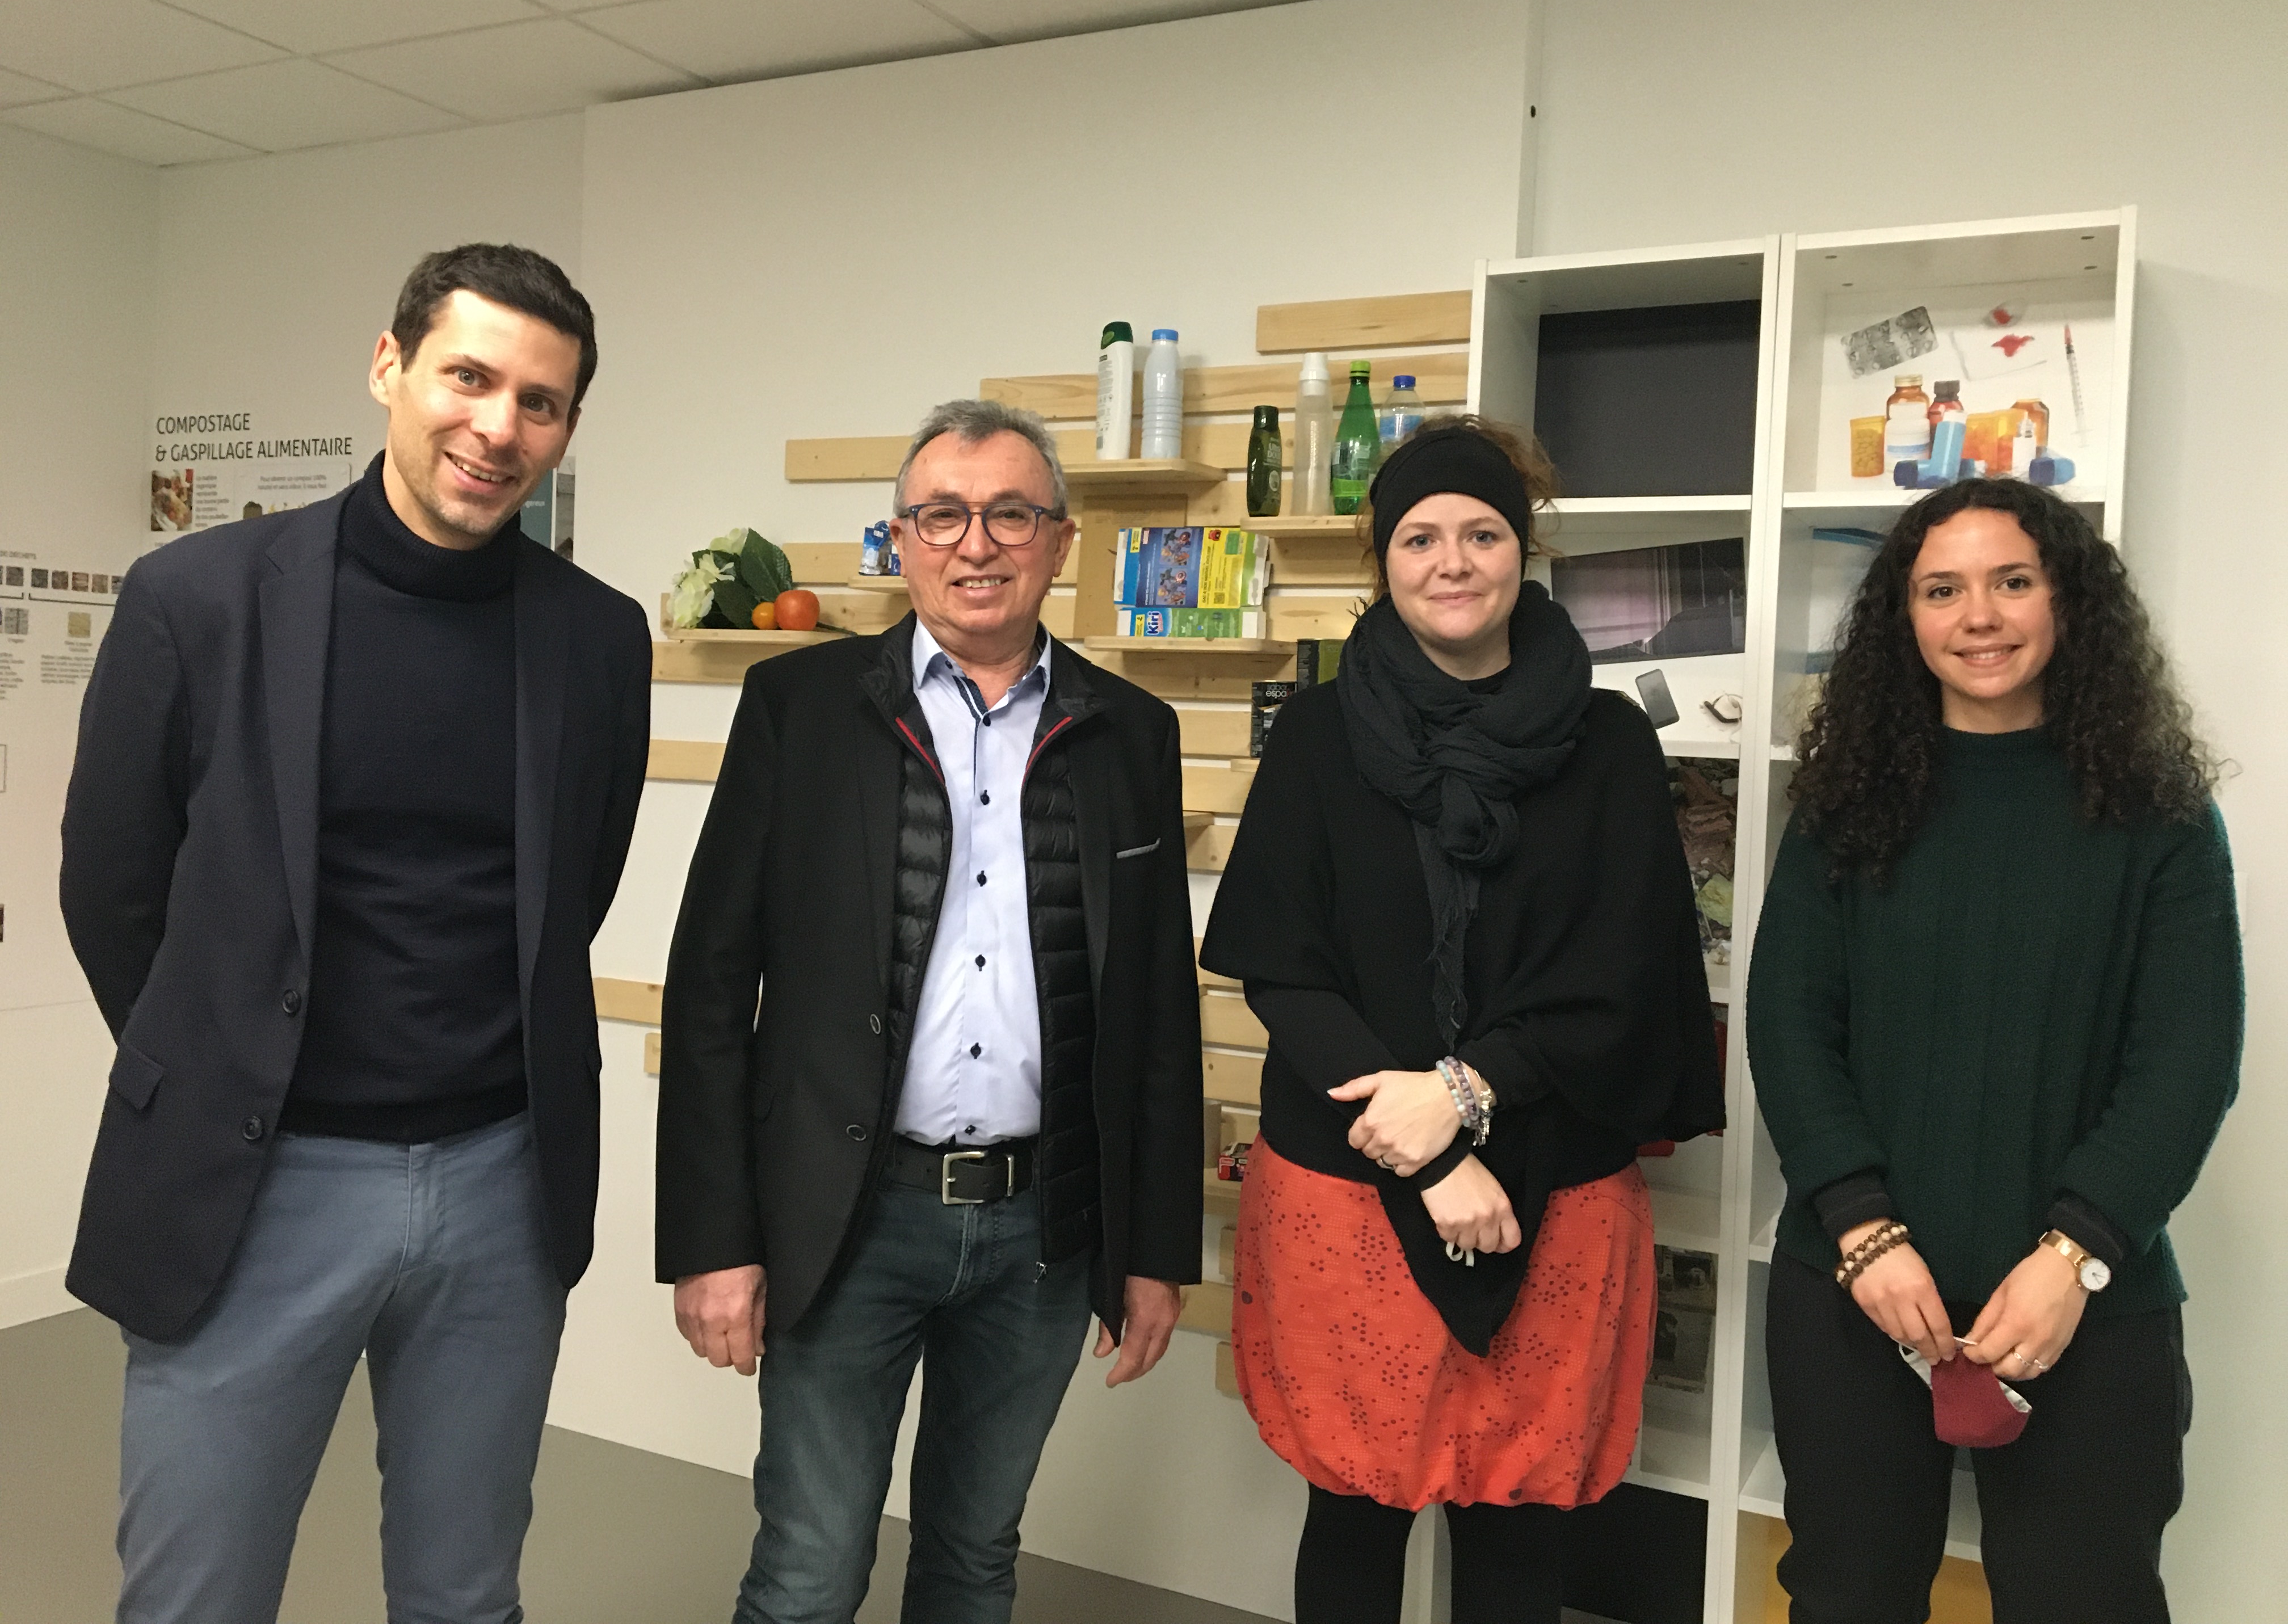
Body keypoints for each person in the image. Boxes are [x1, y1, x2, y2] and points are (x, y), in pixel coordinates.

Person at [60, 243, 652, 1624]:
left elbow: (578, 884)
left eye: (541, 403)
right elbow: (113, 888)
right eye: (469, 377)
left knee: (465, 1596)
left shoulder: (598, 637)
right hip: (255, 1180)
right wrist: (223, 1066)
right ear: (389, 366)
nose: (498, 428)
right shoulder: (198, 598)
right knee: (196, 1600)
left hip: (501, 1181)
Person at [657, 398, 1204, 1624]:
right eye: (943, 515)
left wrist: (1157, 1249)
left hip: (1044, 1228)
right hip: (846, 1213)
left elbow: (1159, 1010)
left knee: (974, 1558)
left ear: (1059, 541)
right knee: (808, 1571)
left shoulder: (1133, 733)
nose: (977, 544)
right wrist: (710, 1237)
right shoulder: (801, 708)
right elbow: (711, 983)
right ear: (900, 539)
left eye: (1011, 513)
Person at [1200, 418, 1725, 1624]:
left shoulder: (1609, 743)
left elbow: (1625, 975)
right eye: (1420, 537)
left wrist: (1466, 1093)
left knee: (1517, 1526)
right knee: (1353, 1513)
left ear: (1523, 551)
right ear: (1383, 559)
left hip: (1553, 1181)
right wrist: (1428, 1146)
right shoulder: (1319, 734)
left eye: (1481, 534)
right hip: (1349, 1179)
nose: (1452, 561)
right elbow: (1283, 970)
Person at [1748, 477, 2239, 1624]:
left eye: (2013, 582)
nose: (1979, 616)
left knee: (2088, 1602)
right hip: (1858, 1292)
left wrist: (2076, 1256)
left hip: (2086, 1302)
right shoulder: (1844, 803)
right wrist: (1865, 1233)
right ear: (1905, 619)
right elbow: (1790, 1026)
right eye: (1942, 590)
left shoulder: (2162, 813)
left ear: (2067, 600)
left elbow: (2187, 1062)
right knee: (1846, 1599)